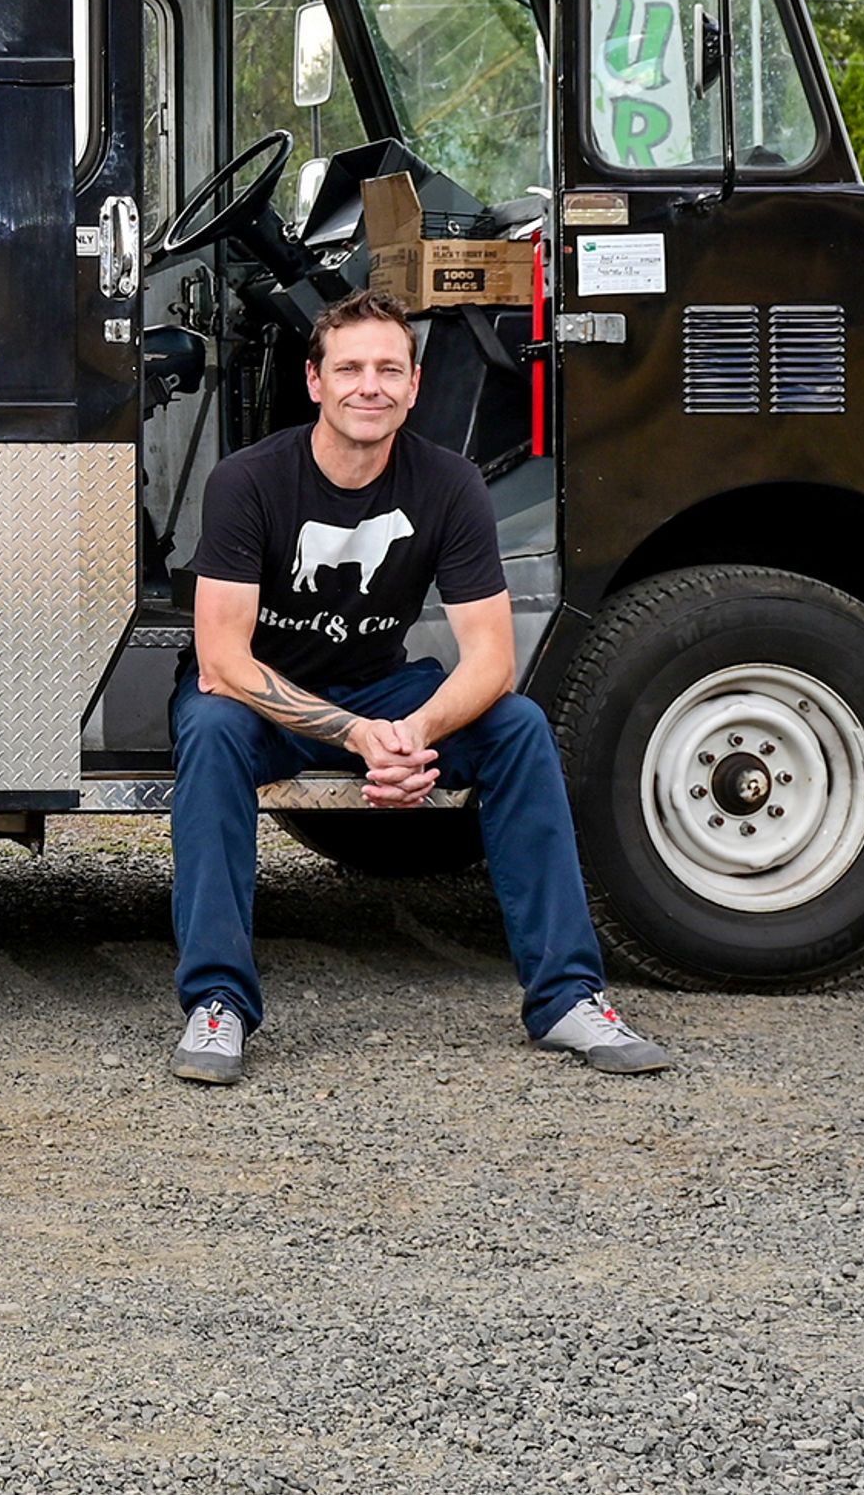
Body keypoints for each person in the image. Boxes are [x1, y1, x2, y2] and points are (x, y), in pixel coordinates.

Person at [168, 287, 674, 1083]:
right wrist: (358, 736)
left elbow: (491, 659)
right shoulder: (249, 480)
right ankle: (218, 1002)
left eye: (387, 369)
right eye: (350, 368)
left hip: (381, 690)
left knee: (518, 728)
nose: (369, 385)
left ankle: (568, 996)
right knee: (207, 731)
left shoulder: (448, 483)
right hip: (262, 698)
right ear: (315, 381)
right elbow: (222, 660)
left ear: (413, 385)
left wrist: (413, 731)